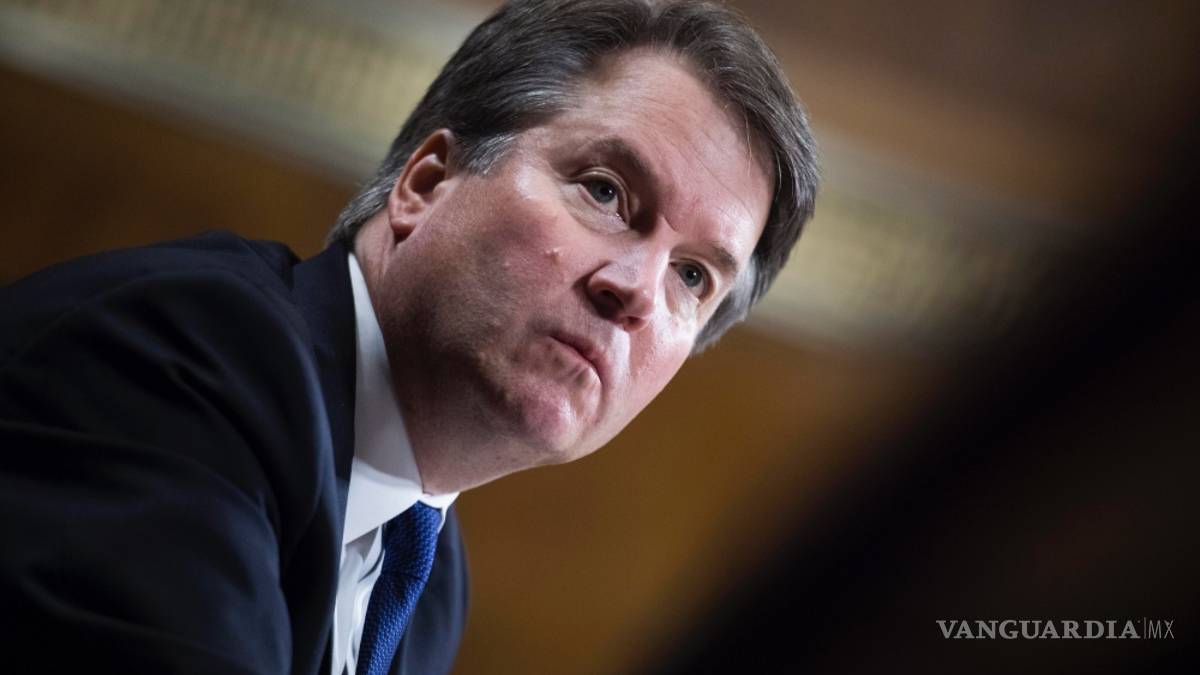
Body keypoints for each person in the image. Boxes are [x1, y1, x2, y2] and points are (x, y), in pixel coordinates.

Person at [0, 0, 817, 673]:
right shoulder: (189, 353)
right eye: (604, 191)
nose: (635, 291)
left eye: (692, 277)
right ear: (427, 182)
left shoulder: (426, 581)